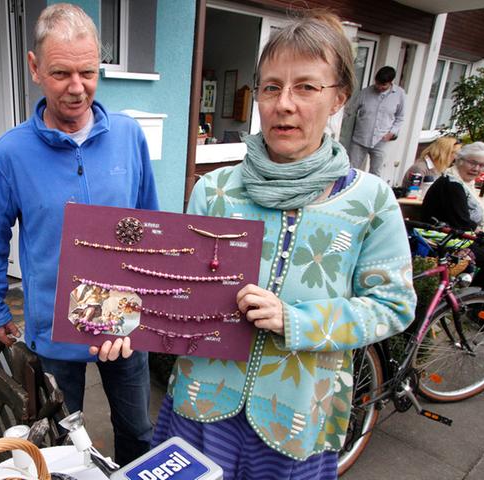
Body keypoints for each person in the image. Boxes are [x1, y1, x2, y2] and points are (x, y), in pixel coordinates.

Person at [148, 12, 416, 479]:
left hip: (294, 417)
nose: (284, 104)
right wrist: (120, 324)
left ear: (339, 98)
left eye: (306, 87)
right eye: (271, 87)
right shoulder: (215, 190)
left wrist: (297, 320)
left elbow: (392, 305)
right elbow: (178, 289)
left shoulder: (369, 201)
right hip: (201, 400)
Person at [0, 3, 156, 465]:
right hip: (53, 326)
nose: (78, 88)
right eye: (61, 74)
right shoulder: (10, 153)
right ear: (35, 69)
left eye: (88, 72)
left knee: (136, 428)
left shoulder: (130, 136)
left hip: (125, 318)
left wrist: (157, 306)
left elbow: (151, 222)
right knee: (61, 441)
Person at [421, 142, 484, 300]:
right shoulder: (452, 185)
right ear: (460, 160)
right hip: (446, 240)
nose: (476, 168)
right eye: (472, 162)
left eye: (482, 165)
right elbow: (461, 222)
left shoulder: (461, 182)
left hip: (456, 235)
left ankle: (478, 302)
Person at [346, 66, 406, 176]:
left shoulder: (400, 95)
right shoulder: (365, 92)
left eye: (383, 85)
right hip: (360, 139)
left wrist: (392, 132)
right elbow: (349, 110)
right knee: (351, 170)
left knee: (376, 172)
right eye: (377, 83)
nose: (379, 87)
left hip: (381, 140)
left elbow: (400, 117)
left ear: (390, 82)